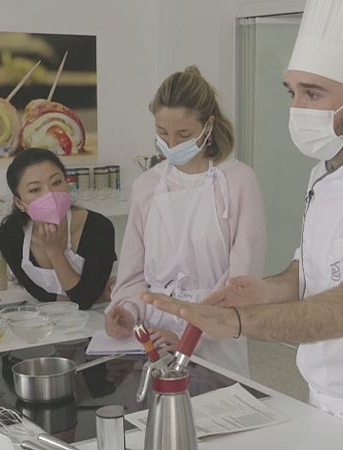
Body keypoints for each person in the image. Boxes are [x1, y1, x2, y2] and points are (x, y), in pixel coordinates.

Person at [143, 1, 343, 449]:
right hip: (321, 400)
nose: (297, 107)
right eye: (292, 92)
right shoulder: (323, 173)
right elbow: (311, 267)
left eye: (313, 93)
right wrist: (268, 288)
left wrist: (242, 322)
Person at [104, 66, 266, 377]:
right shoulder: (147, 186)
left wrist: (188, 338)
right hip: (154, 340)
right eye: (162, 133)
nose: (171, 144)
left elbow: (241, 284)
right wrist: (124, 311)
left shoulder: (238, 182)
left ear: (208, 127)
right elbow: (132, 276)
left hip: (215, 340)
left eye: (183, 135)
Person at [0, 148, 116, 310]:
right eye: (34, 190)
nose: (49, 194)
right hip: (43, 319)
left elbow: (84, 300)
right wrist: (94, 296)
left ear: (67, 184)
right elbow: (39, 294)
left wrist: (55, 252)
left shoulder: (98, 228)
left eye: (56, 182)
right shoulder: (10, 235)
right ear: (19, 203)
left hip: (98, 321)